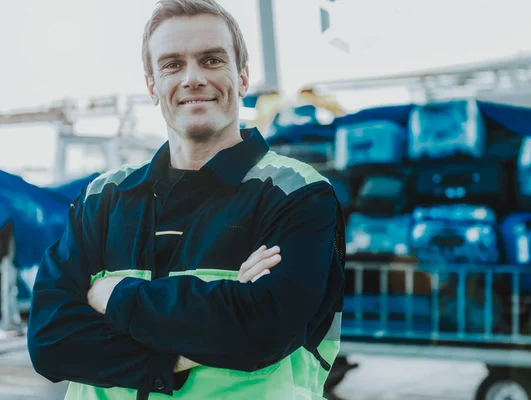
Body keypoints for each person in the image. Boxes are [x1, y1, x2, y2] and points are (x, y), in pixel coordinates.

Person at [26, 1, 346, 399]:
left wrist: (114, 297)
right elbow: (50, 342)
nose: (193, 78)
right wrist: (178, 354)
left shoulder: (297, 193)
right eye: (172, 65)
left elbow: (262, 331)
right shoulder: (102, 199)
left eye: (212, 60)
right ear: (151, 86)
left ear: (242, 78)